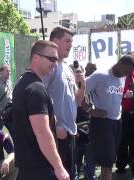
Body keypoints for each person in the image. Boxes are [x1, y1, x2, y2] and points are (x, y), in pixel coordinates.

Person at [12, 40, 69, 180]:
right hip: (39, 169)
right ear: (36, 57)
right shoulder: (36, 88)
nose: (55, 63)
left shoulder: (22, 84)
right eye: (51, 58)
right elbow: (42, 133)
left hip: (28, 168)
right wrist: (59, 167)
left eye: (56, 59)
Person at [44, 26, 85, 179]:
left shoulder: (67, 68)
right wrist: (55, 125)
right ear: (55, 41)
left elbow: (78, 101)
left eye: (71, 41)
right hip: (56, 135)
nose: (70, 45)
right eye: (67, 41)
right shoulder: (50, 66)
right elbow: (39, 99)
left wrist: (82, 84)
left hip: (70, 133)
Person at [85, 55, 134, 180]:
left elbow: (115, 97)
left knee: (110, 159)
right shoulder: (100, 75)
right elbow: (79, 90)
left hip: (117, 121)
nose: (126, 74)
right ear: (119, 63)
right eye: (125, 71)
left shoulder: (123, 77)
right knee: (107, 161)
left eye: (129, 73)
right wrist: (90, 110)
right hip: (102, 122)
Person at [116, 65, 134, 177]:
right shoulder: (119, 76)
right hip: (123, 114)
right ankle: (121, 167)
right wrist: (124, 96)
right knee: (122, 143)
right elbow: (114, 94)